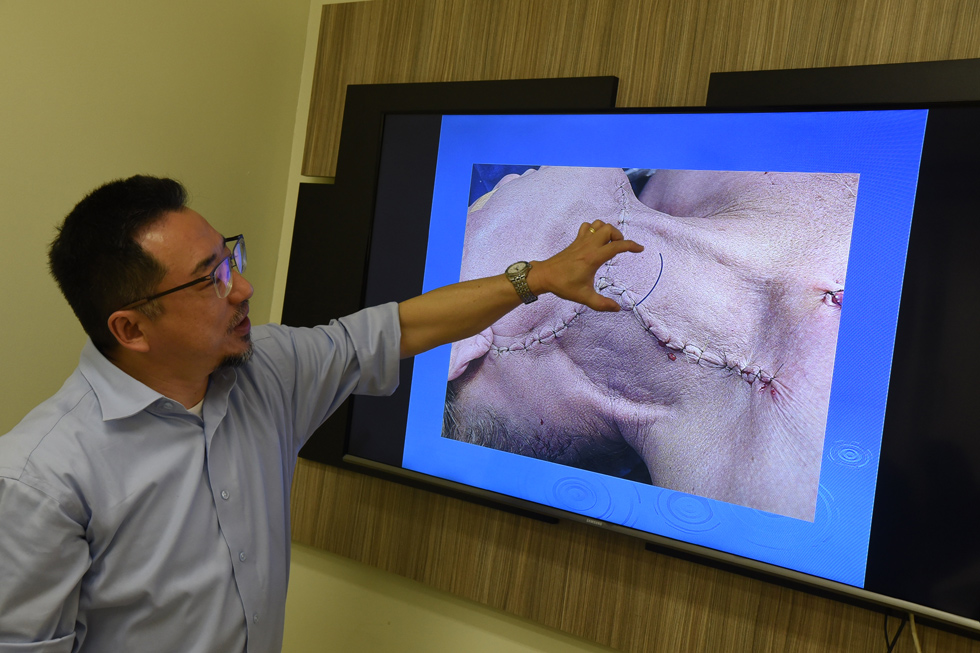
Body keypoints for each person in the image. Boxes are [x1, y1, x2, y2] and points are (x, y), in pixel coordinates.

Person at [0, 175, 642, 652]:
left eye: (230, 258)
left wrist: (538, 278)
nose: (243, 288)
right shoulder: (40, 478)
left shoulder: (266, 368)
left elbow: (397, 329)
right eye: (208, 280)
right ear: (131, 329)